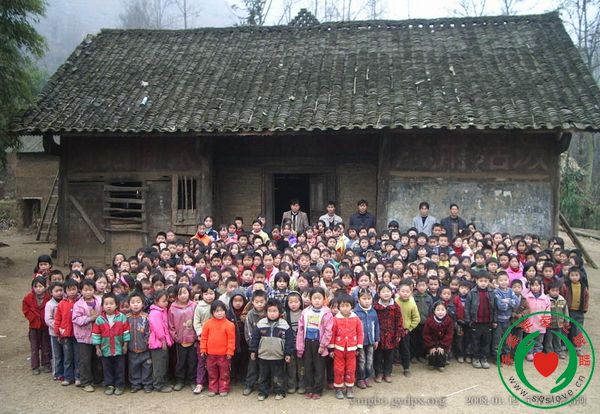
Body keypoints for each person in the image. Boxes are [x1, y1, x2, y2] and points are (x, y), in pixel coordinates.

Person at [250, 299, 294, 401]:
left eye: (275, 311)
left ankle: (279, 391)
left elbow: (289, 340)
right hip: (263, 356)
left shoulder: (284, 325)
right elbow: (255, 338)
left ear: (280, 312)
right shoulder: (261, 323)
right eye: (270, 311)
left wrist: (288, 353)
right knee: (263, 375)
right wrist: (253, 351)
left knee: (278, 375)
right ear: (266, 312)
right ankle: (263, 392)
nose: (272, 313)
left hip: (278, 356)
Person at [296, 287, 334, 400]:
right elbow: (300, 329)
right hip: (307, 342)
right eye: (314, 298)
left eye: (319, 298)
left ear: (324, 299)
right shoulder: (305, 312)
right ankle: (309, 388)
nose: (317, 301)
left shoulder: (327, 313)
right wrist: (300, 346)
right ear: (310, 299)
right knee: (308, 367)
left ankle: (317, 390)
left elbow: (328, 331)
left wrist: (323, 345)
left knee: (319, 367)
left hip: (319, 343)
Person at [92, 293, 130, 396]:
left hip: (119, 348)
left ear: (116, 305)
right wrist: (97, 348)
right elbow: (96, 335)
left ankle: (119, 385)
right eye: (106, 304)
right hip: (105, 349)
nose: (109, 306)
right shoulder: (99, 319)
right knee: (107, 368)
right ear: (102, 306)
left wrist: (125, 345)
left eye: (111, 303)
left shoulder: (122, 317)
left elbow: (126, 332)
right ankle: (109, 385)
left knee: (120, 368)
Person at [329, 294, 363, 400]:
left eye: (347, 305)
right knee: (338, 369)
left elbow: (360, 333)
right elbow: (332, 334)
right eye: (342, 306)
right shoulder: (335, 319)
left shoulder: (356, 319)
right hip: (338, 349)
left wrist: (359, 347)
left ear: (352, 306)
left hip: (352, 349)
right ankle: (339, 388)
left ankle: (349, 388)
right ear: (339, 307)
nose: (345, 308)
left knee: (351, 369)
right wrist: (331, 348)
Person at [200, 300, 236, 397]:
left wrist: (230, 351)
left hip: (224, 354)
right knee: (212, 372)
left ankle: (224, 388)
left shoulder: (229, 325)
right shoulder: (207, 324)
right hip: (210, 354)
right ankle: (213, 388)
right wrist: (203, 349)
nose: (219, 313)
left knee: (224, 372)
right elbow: (204, 338)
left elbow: (231, 339)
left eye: (221, 310)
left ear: (225, 311)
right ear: (212, 312)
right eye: (217, 311)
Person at [72, 279, 102, 392]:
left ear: (94, 290)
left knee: (97, 358)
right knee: (85, 360)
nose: (88, 292)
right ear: (81, 290)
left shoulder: (99, 301)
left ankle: (97, 379)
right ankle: (85, 382)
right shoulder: (78, 304)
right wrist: (89, 318)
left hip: (98, 335)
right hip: (83, 336)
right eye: (85, 290)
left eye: (90, 289)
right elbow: (76, 319)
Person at [168, 284, 197, 391]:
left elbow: (197, 321)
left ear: (189, 293)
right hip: (180, 341)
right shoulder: (172, 308)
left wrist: (196, 335)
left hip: (193, 339)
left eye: (185, 292)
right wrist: (176, 337)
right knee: (180, 362)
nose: (183, 295)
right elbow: (170, 325)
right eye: (180, 293)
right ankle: (180, 381)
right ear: (176, 295)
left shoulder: (194, 306)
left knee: (192, 361)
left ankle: (192, 380)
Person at [465, 271, 496, 369]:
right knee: (475, 341)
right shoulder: (472, 293)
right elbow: (467, 308)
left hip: (488, 322)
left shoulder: (491, 293)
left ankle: (484, 358)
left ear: (489, 282)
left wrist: (494, 320)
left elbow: (494, 307)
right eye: (481, 281)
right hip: (476, 322)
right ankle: (475, 358)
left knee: (486, 342)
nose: (483, 283)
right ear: (476, 281)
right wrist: (469, 321)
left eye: (485, 281)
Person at [374, 284, 405, 382]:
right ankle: (379, 373)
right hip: (379, 335)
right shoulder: (375, 306)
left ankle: (387, 373)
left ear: (392, 293)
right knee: (378, 355)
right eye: (383, 291)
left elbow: (399, 321)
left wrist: (399, 334)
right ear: (379, 293)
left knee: (389, 356)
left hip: (391, 335)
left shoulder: (395, 306)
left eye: (388, 291)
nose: (386, 293)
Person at [22, 276, 51, 375]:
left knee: (46, 346)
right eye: (36, 286)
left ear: (45, 287)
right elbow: (25, 310)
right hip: (34, 326)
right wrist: (33, 318)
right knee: (34, 347)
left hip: (45, 326)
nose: (38, 289)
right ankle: (35, 366)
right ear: (33, 288)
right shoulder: (28, 298)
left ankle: (46, 364)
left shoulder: (49, 297)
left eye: (40, 286)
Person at [54, 278, 80, 386]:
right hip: (65, 334)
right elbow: (57, 319)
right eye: (69, 290)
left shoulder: (80, 302)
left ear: (78, 289)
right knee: (67, 357)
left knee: (78, 357)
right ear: (65, 291)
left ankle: (78, 377)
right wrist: (58, 332)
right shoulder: (61, 304)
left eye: (74, 289)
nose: (72, 292)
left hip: (78, 334)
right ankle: (68, 377)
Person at [193, 282, 217, 394]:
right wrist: (200, 334)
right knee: (201, 361)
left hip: (216, 339)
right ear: (202, 295)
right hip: (203, 339)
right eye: (206, 294)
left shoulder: (218, 305)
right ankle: (200, 383)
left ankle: (214, 382)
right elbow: (196, 322)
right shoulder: (199, 307)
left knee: (214, 362)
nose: (209, 296)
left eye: (211, 293)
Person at [126, 291, 153, 393]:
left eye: (138, 302)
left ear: (143, 304)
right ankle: (135, 384)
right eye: (133, 302)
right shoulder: (126, 318)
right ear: (129, 304)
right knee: (133, 367)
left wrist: (147, 342)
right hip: (131, 348)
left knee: (147, 366)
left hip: (145, 348)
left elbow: (149, 331)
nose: (135, 304)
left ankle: (147, 384)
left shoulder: (146, 317)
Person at [242, 290, 267, 395]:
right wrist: (254, 347)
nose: (259, 304)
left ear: (266, 301)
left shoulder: (269, 312)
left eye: (262, 302)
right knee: (252, 366)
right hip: (254, 346)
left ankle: (264, 386)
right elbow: (248, 332)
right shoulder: (250, 314)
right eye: (257, 302)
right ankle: (249, 385)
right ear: (252, 302)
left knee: (265, 367)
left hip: (267, 347)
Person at [353, 288, 379, 389]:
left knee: (370, 360)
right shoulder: (355, 312)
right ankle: (360, 378)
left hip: (371, 341)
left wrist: (377, 339)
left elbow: (376, 326)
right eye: (364, 299)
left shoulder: (373, 312)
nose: (367, 301)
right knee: (361, 360)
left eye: (369, 298)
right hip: (360, 342)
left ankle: (367, 377)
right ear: (358, 299)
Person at [148, 289, 174, 393]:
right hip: (158, 343)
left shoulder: (162, 311)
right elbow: (157, 328)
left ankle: (163, 382)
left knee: (164, 364)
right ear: (156, 301)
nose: (166, 303)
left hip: (163, 342)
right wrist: (163, 340)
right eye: (163, 301)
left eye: (167, 301)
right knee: (158, 365)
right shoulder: (155, 313)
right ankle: (158, 384)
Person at [561, 267, 589, 354]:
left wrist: (585, 308)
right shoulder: (565, 286)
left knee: (578, 329)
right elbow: (562, 296)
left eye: (576, 275)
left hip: (579, 311)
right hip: (568, 311)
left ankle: (577, 347)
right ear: (568, 276)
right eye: (572, 275)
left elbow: (586, 298)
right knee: (566, 328)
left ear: (580, 276)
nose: (574, 277)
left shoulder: (583, 287)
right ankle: (564, 345)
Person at [395, 281, 419, 377]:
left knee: (405, 349)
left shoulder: (412, 304)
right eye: (403, 291)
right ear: (398, 291)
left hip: (405, 330)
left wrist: (409, 328)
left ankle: (406, 368)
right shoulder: (395, 302)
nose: (405, 293)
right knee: (393, 348)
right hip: (394, 330)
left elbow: (416, 318)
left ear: (411, 292)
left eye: (407, 291)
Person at [524, 277, 550, 361]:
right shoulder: (527, 297)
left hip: (541, 323)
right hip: (529, 322)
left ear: (541, 286)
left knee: (539, 340)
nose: (535, 287)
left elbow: (548, 311)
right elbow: (524, 309)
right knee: (529, 339)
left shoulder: (545, 298)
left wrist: (546, 321)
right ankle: (529, 353)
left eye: (537, 285)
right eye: (533, 285)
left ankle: (537, 352)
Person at [423, 302, 454, 372]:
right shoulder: (429, 320)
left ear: (446, 311)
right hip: (432, 343)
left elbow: (449, 335)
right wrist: (431, 346)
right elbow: (426, 334)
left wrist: (442, 346)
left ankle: (441, 364)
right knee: (433, 352)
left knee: (441, 352)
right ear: (434, 311)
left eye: (443, 310)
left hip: (443, 344)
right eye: (438, 310)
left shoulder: (449, 321)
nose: (440, 312)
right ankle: (431, 363)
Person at [284, 292, 305, 394]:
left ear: (300, 302)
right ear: (287, 303)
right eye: (291, 302)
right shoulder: (285, 315)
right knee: (291, 367)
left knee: (302, 367)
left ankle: (302, 385)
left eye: (296, 302)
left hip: (302, 346)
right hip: (290, 345)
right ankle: (292, 385)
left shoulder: (304, 313)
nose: (293, 304)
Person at [45, 281, 64, 380]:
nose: (59, 293)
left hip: (65, 333)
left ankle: (65, 372)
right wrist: (58, 327)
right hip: (54, 333)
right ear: (51, 292)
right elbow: (48, 319)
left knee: (65, 354)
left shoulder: (65, 302)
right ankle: (57, 373)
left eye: (61, 290)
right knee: (57, 354)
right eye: (56, 291)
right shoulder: (50, 304)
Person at [545, 281, 569, 358]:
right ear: (548, 290)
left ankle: (559, 351)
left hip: (559, 323)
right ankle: (550, 352)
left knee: (558, 338)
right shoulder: (546, 299)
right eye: (553, 290)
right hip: (549, 324)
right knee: (549, 339)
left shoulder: (562, 300)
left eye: (557, 290)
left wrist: (566, 321)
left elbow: (565, 311)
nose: (555, 292)